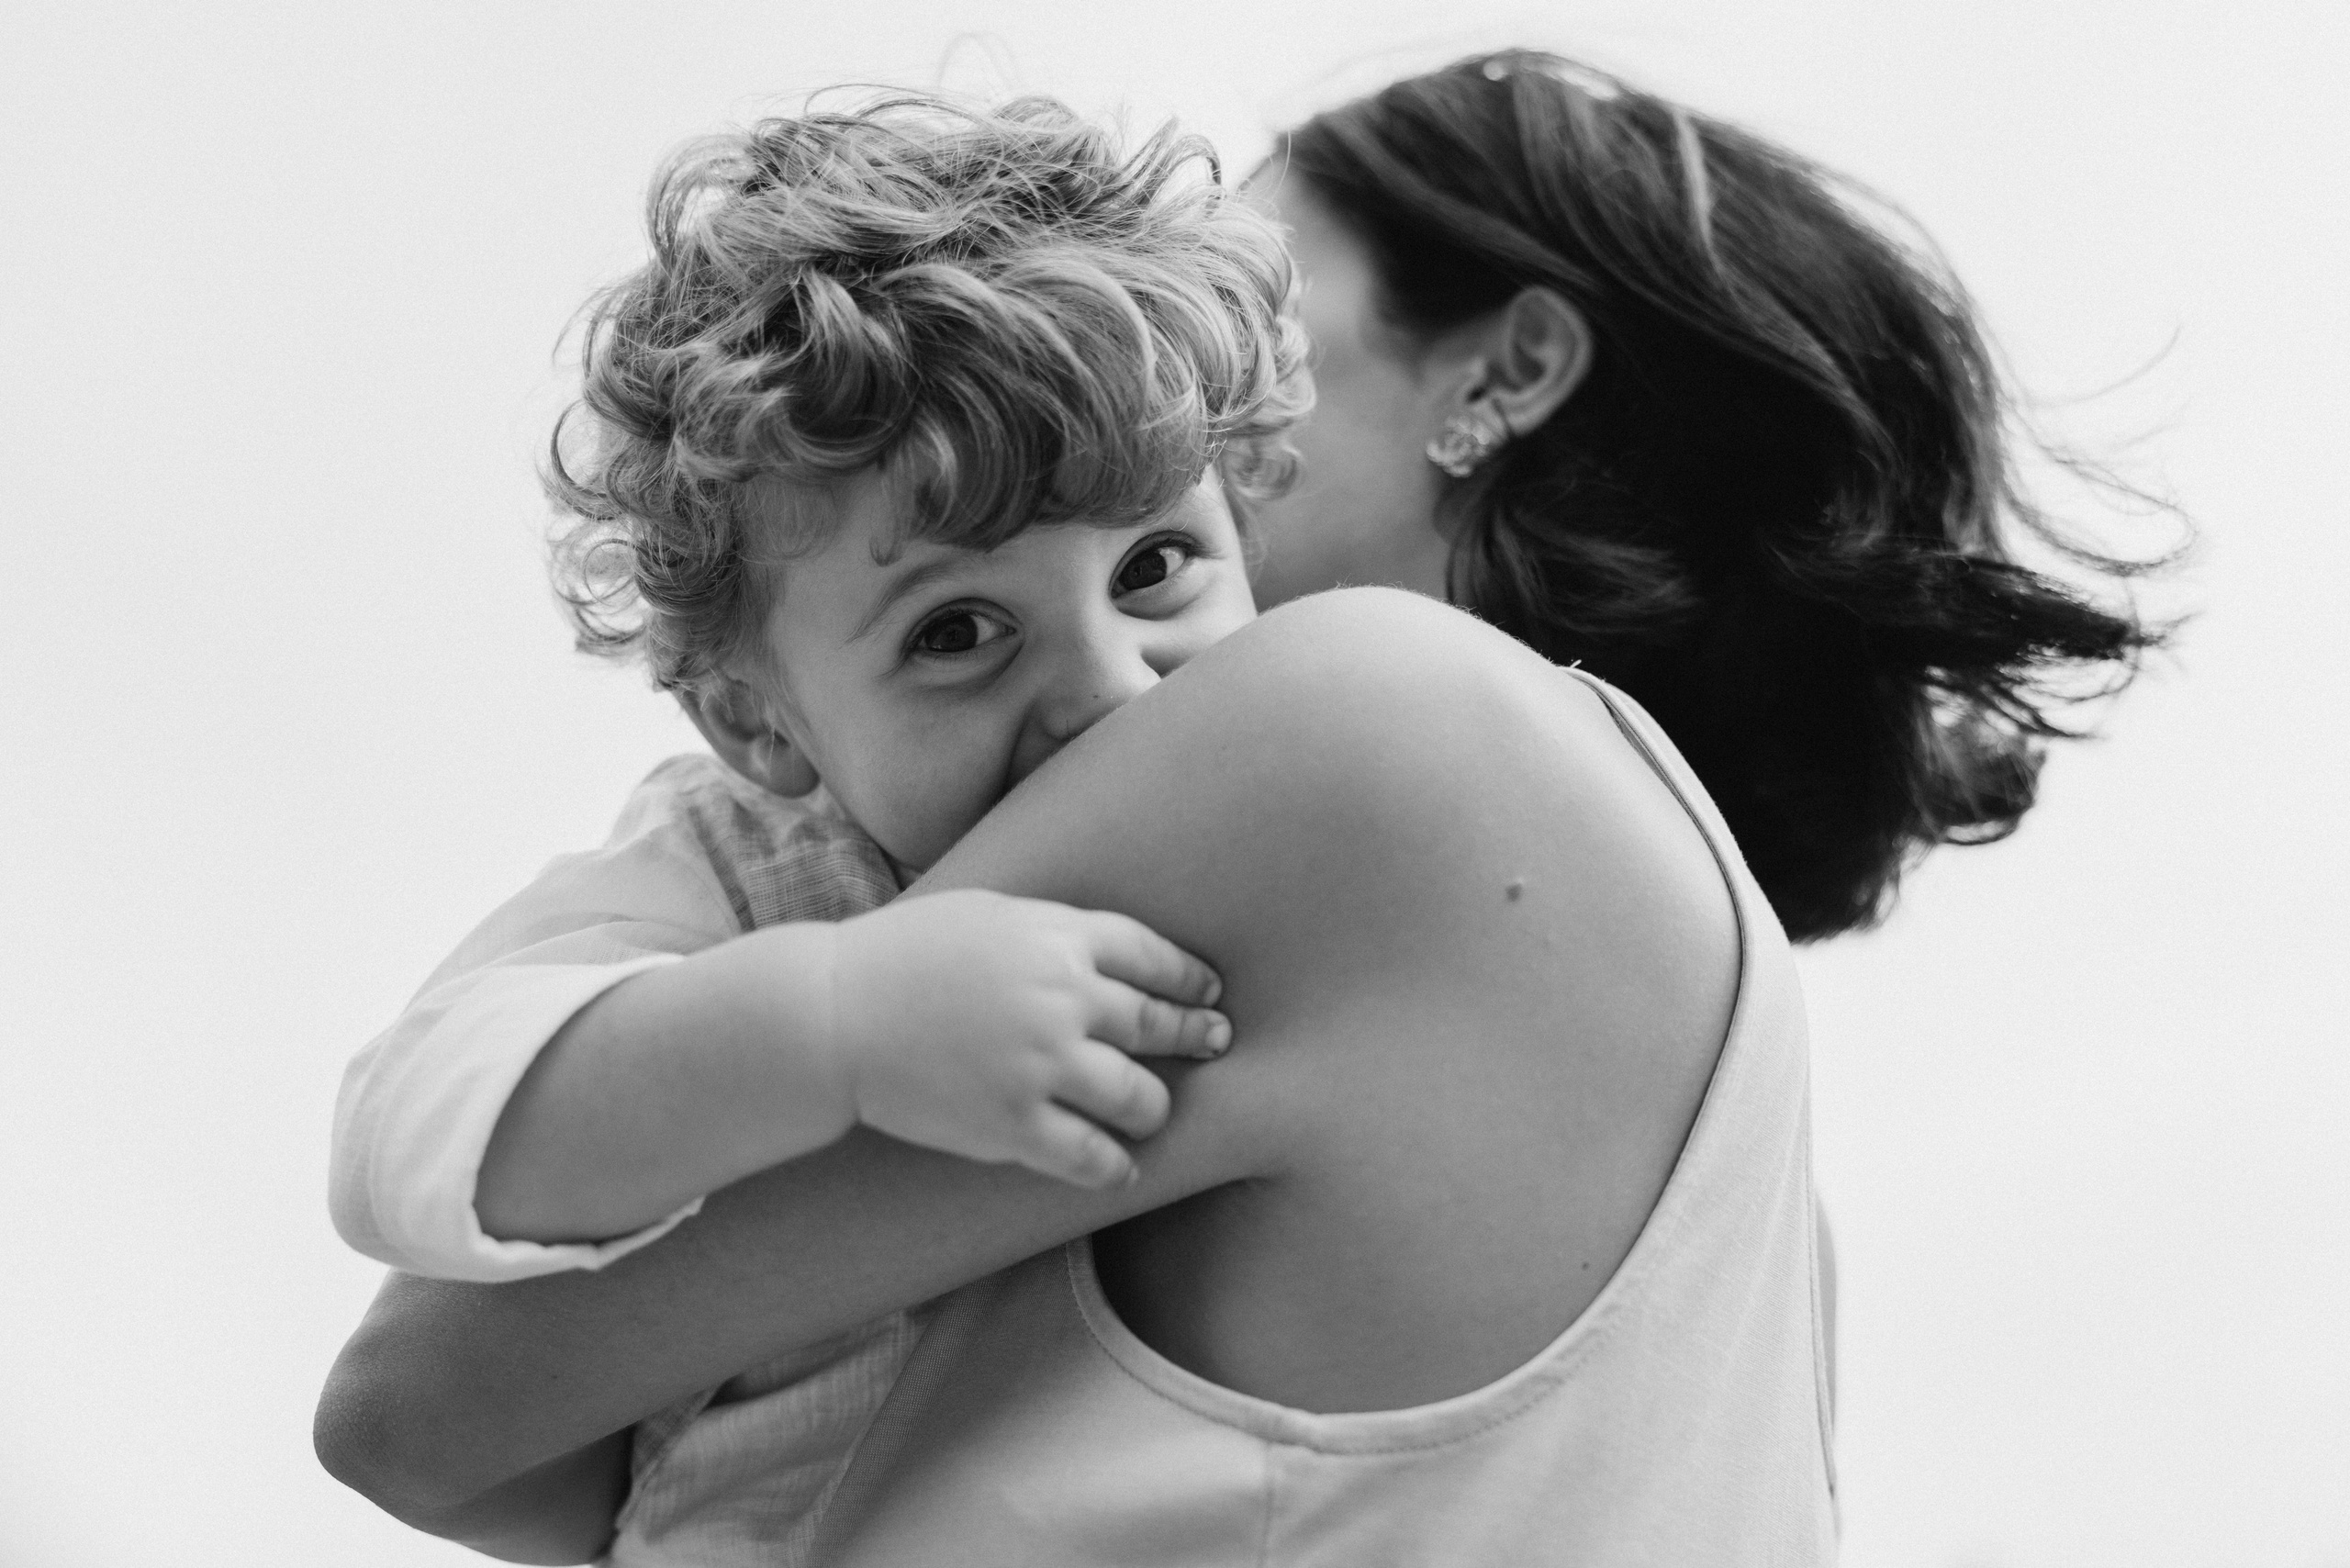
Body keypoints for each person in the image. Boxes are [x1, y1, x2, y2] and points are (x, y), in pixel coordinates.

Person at [317, 52, 2156, 1566]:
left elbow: (420, 1412)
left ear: (1501, 374)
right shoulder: (1752, 1236)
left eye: (1256, 254)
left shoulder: (1367, 743)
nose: (1145, 337)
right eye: (958, 622)